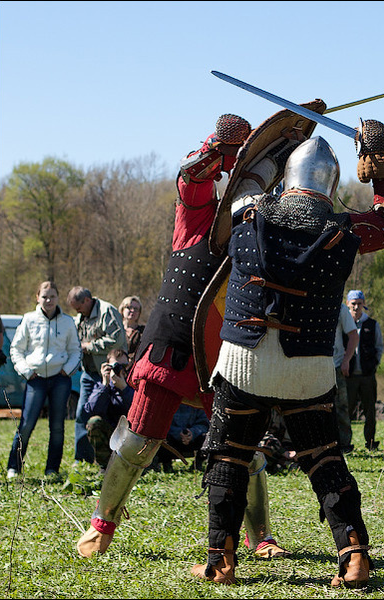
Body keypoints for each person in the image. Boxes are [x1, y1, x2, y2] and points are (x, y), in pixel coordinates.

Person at [195, 117, 384, 587]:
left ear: (288, 178)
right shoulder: (344, 229)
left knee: (229, 458)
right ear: (331, 185)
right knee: (325, 459)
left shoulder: (248, 210)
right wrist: (381, 161)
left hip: (243, 363)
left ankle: (222, 561)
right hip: (308, 368)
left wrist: (266, 142)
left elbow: (244, 175)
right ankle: (355, 557)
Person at [75, 114, 290, 562]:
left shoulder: (257, 235)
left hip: (222, 354)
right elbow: (191, 172)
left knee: (243, 451)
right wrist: (226, 145)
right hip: (170, 344)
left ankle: (260, 536)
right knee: (137, 442)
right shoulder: (196, 214)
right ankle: (102, 525)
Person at [7, 281, 81, 478]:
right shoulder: (29, 320)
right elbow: (16, 349)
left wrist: (67, 370)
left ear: (58, 298)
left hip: (60, 380)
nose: (49, 300)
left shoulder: (67, 322)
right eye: (45, 296)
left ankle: (52, 469)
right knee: (26, 424)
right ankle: (14, 467)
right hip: (35, 379)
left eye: (53, 296)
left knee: (57, 426)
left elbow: (75, 350)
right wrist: (26, 371)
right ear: (37, 297)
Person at [67, 286, 126, 464]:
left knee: (111, 415)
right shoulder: (80, 317)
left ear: (86, 300)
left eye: (78, 307)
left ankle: (112, 457)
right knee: (82, 414)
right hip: (88, 372)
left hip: (110, 373)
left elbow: (116, 339)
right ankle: (82, 458)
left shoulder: (106, 311)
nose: (77, 312)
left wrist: (89, 347)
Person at [80, 349, 134, 469]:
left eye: (124, 366)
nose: (121, 370)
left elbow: (138, 409)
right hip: (111, 433)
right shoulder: (103, 385)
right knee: (94, 422)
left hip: (131, 434)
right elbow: (91, 410)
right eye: (116, 366)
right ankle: (104, 465)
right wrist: (105, 384)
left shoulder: (135, 383)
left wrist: (124, 389)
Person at [344, 290, 384, 450]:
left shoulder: (372, 324)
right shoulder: (343, 324)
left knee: (370, 411)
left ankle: (371, 441)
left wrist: (374, 364)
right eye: (353, 304)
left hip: (367, 375)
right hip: (349, 376)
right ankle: (345, 442)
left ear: (363, 304)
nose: (356, 307)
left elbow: (379, 346)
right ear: (347, 304)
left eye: (359, 303)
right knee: (346, 411)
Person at [153, 403, 210, 472]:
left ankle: (198, 464)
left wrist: (192, 433)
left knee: (207, 438)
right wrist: (178, 433)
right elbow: (163, 423)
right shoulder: (169, 402)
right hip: (173, 437)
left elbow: (204, 423)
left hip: (193, 437)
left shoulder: (198, 402)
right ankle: (167, 465)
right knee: (162, 439)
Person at [333, 302, 360, 452]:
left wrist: (346, 361)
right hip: (313, 366)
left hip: (336, 366)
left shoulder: (340, 308)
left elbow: (353, 335)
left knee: (341, 407)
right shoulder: (309, 300)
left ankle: (344, 444)